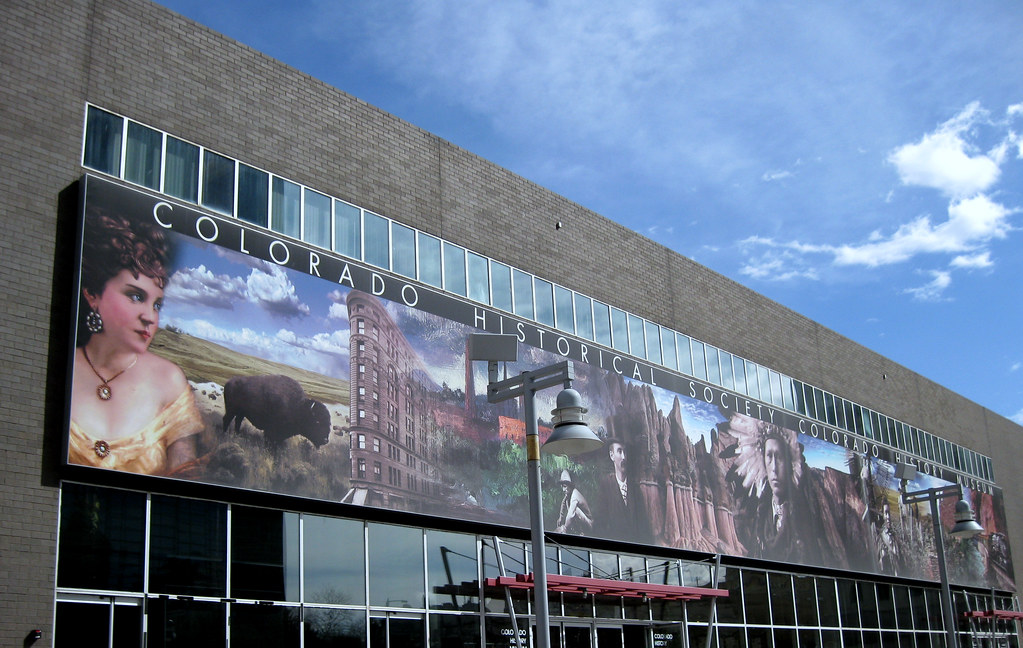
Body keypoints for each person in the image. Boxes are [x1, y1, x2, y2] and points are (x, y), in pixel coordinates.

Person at [68, 210, 201, 475]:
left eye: (157, 304)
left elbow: (187, 484)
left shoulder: (169, 380)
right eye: (135, 296)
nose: (150, 317)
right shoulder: (63, 366)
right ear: (93, 295)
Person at [731, 418, 824, 564]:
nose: (774, 467)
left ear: (790, 463)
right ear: (762, 461)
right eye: (769, 456)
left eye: (779, 457)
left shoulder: (803, 516)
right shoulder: (761, 518)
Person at [596, 438, 648, 541]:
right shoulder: (605, 486)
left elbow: (644, 526)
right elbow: (600, 524)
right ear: (612, 456)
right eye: (619, 451)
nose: (623, 457)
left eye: (625, 452)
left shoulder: (635, 488)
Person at [555, 470, 593, 535]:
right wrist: (560, 518)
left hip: (589, 524)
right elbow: (563, 503)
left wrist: (564, 528)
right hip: (580, 523)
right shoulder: (568, 496)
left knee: (575, 510)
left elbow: (570, 514)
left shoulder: (575, 495)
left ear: (570, 486)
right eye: (562, 487)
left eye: (565, 486)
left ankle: (581, 533)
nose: (563, 490)